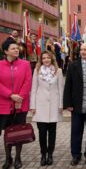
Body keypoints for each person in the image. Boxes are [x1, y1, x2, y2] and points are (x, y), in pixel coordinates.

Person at [0, 39, 32, 169]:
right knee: (7, 133)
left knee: (19, 132)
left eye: (17, 48)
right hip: (4, 105)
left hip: (21, 105)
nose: (16, 50)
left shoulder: (25, 64)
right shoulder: (0, 65)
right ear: (6, 51)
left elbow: (27, 81)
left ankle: (18, 157)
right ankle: (8, 158)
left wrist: (20, 98)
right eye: (13, 48)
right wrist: (10, 95)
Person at [30, 50, 64, 166]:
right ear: (41, 60)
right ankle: (43, 154)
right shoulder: (37, 71)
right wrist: (32, 106)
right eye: (44, 58)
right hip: (40, 106)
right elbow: (34, 89)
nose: (46, 60)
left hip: (54, 106)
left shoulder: (58, 71)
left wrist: (61, 105)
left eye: (48, 58)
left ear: (52, 59)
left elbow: (61, 89)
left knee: (52, 132)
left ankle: (50, 154)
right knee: (42, 132)